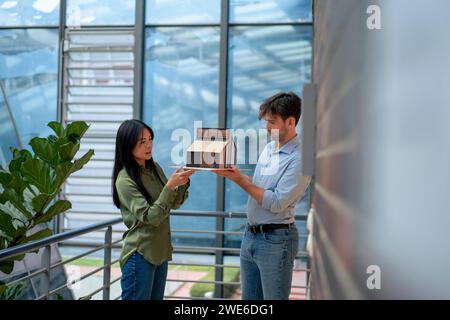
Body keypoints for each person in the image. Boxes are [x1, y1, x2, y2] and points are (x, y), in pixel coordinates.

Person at [215, 92, 310, 300]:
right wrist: (235, 176)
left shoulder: (301, 159)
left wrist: (240, 180)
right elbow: (260, 188)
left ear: (291, 121)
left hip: (276, 240)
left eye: (271, 122)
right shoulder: (268, 149)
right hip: (251, 236)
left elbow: (276, 202)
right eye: (265, 122)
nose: (266, 127)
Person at [112, 119, 195, 300]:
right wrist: (169, 187)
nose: (149, 145)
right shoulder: (124, 180)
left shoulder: (154, 168)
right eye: (142, 142)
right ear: (127, 145)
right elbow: (151, 217)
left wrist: (182, 182)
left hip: (160, 252)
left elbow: (172, 203)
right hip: (140, 255)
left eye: (150, 139)